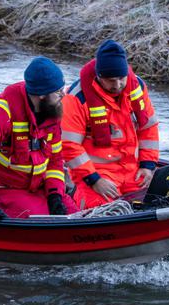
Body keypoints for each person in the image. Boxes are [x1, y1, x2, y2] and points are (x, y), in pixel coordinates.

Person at [0, 57, 77, 220]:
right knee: (41, 222)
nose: (63, 95)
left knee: (74, 213)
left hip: (37, 187)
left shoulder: (51, 113)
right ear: (42, 95)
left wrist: (55, 195)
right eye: (58, 92)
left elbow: (55, 161)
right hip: (3, 189)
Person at [61, 40, 160, 209]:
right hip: (96, 174)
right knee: (99, 211)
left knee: (156, 202)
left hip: (133, 170)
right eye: (111, 80)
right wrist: (94, 180)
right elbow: (69, 145)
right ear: (99, 77)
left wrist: (148, 165)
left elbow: (148, 128)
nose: (117, 85)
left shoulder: (137, 87)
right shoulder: (76, 98)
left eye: (121, 79)